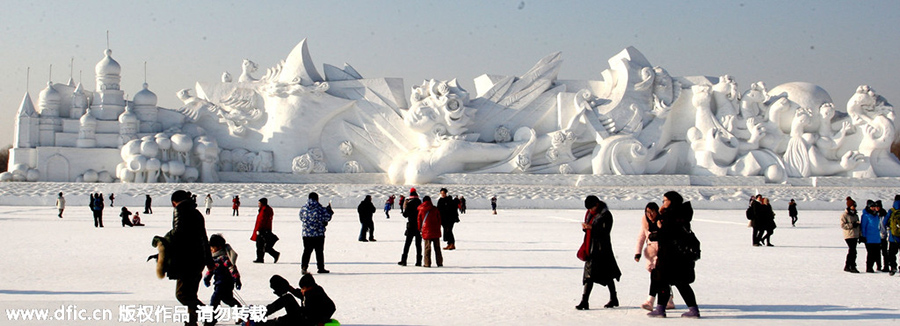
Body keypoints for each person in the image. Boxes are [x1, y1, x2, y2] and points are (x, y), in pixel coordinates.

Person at [647, 191, 700, 318]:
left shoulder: (672, 215)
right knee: (668, 282)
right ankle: (662, 308)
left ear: (672, 201)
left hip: (671, 255)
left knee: (674, 282)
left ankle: (691, 310)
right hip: (676, 254)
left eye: (665, 200)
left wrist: (655, 233)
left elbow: (667, 234)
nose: (663, 202)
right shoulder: (680, 213)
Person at [165, 190, 213, 326]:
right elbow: (204, 238)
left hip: (186, 259)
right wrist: (208, 260)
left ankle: (207, 314)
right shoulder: (196, 213)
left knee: (182, 294)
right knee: (191, 293)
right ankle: (191, 322)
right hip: (198, 259)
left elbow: (178, 234)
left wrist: (166, 245)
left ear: (174, 202)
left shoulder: (180, 210)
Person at [575, 195, 620, 310]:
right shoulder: (590, 214)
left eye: (591, 208)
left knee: (605, 275)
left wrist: (592, 228)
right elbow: (589, 229)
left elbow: (605, 232)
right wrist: (586, 228)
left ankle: (587, 301)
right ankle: (587, 301)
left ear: (597, 204)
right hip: (591, 247)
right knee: (591, 275)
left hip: (602, 249)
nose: (590, 210)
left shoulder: (606, 215)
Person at [635, 202, 675, 311]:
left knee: (656, 275)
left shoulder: (661, 221)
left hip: (663, 252)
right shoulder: (645, 223)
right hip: (651, 253)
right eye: (647, 212)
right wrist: (637, 253)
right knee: (660, 278)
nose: (650, 214)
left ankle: (650, 300)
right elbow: (641, 238)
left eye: (652, 212)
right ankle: (668, 300)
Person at [258, 274, 336, 326]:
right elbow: (301, 295)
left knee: (283, 319)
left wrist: (321, 321)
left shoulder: (315, 295)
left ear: (308, 287)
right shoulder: (312, 291)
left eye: (303, 288)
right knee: (287, 298)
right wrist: (289, 288)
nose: (301, 290)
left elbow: (332, 307)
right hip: (303, 316)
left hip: (306, 321)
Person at [204, 234, 242, 314]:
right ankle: (242, 313)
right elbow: (211, 270)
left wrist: (237, 279)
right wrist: (207, 278)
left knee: (215, 299)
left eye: (213, 247)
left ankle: (212, 316)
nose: (211, 249)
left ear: (219, 247)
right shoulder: (214, 258)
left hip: (225, 283)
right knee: (227, 299)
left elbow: (232, 268)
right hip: (219, 283)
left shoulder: (223, 258)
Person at [299, 192, 333, 274]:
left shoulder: (303, 208)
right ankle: (320, 268)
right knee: (319, 252)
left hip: (306, 234)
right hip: (318, 234)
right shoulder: (320, 208)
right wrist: (329, 210)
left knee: (307, 251)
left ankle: (304, 267)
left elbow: (301, 218)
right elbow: (327, 217)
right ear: (317, 199)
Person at [252, 198, 281, 264]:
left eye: (259, 203)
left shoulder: (264, 210)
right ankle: (261, 258)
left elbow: (262, 221)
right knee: (261, 245)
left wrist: (259, 229)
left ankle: (271, 255)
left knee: (260, 245)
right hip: (265, 229)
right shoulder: (265, 209)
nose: (258, 204)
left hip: (263, 230)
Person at [398, 188, 422, 266]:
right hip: (419, 226)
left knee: (407, 243)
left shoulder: (410, 203)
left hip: (411, 225)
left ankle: (404, 260)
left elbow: (405, 215)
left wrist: (405, 205)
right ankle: (419, 261)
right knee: (418, 244)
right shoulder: (420, 203)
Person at [418, 196, 443, 268]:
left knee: (427, 248)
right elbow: (439, 220)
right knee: (437, 248)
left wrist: (420, 229)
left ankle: (427, 263)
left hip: (426, 231)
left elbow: (419, 220)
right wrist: (438, 228)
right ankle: (439, 262)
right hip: (435, 231)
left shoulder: (421, 210)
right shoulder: (435, 209)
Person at [860, 200, 883, 273]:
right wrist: (863, 236)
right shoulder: (866, 215)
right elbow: (863, 227)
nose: (874, 208)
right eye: (872, 207)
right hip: (869, 238)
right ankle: (869, 267)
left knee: (876, 253)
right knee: (870, 253)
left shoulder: (876, 215)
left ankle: (876, 266)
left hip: (876, 238)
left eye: (874, 207)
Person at [841, 199, 861, 273]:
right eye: (853, 206)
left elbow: (858, 226)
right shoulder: (844, 215)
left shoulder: (855, 215)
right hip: (849, 235)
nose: (854, 207)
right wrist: (852, 225)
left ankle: (847, 266)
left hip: (855, 235)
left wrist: (860, 235)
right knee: (853, 251)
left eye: (855, 206)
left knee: (852, 251)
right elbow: (843, 225)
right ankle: (852, 266)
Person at [885, 195, 900, 275]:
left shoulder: (891, 211)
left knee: (892, 253)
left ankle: (893, 267)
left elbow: (884, 222)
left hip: (893, 237)